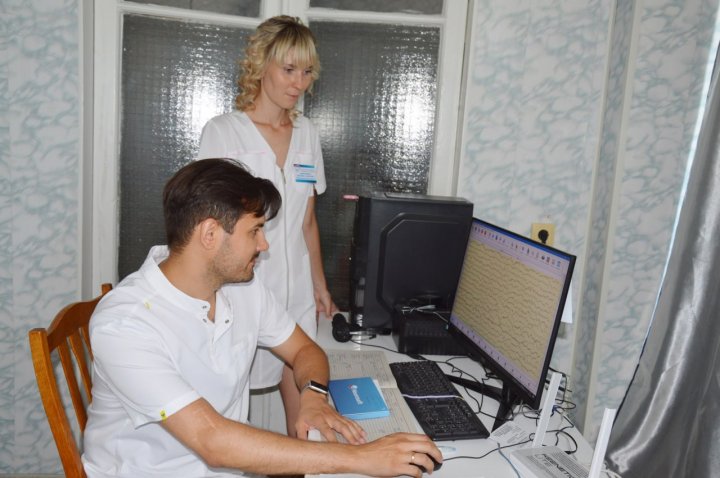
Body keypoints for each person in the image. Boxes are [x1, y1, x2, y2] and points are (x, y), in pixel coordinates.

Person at [82, 158, 441, 477]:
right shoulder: (125, 324)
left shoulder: (242, 286)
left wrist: (313, 396)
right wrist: (361, 458)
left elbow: (304, 350)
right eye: (254, 230)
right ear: (210, 234)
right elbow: (213, 442)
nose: (264, 245)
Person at [197, 15, 336, 438]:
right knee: (227, 413)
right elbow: (205, 226)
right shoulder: (224, 132)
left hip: (296, 296)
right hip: (241, 290)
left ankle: (304, 466)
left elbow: (307, 220)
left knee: (307, 416)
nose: (299, 83)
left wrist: (320, 285)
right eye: (289, 69)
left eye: (307, 71)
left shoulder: (307, 133)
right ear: (261, 65)